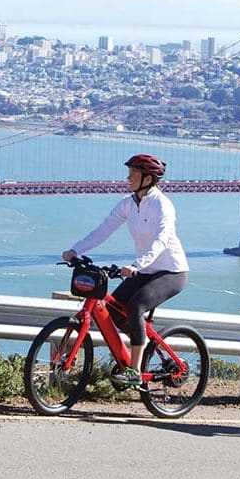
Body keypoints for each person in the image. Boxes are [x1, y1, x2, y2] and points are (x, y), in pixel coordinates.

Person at [62, 154, 189, 386]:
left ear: (148, 178)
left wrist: (135, 266)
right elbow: (103, 230)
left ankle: (135, 371)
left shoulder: (163, 206)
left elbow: (160, 241)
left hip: (171, 272)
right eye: (129, 174)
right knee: (113, 310)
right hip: (145, 270)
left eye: (133, 175)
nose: (128, 178)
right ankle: (142, 347)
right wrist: (75, 250)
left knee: (135, 306)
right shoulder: (128, 203)